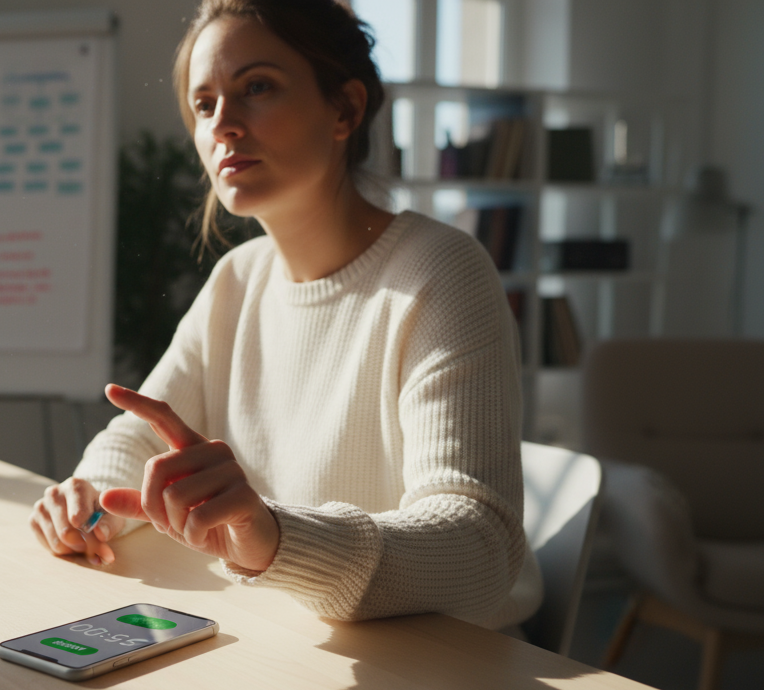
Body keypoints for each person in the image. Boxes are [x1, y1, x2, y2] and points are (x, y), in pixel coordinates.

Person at [30, 0, 540, 630]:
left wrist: (275, 539)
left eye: (257, 88)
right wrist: (90, 502)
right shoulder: (237, 280)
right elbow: (141, 438)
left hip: (443, 665)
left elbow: (479, 548)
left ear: (345, 110)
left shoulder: (440, 272)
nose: (223, 124)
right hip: (290, 638)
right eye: (204, 104)